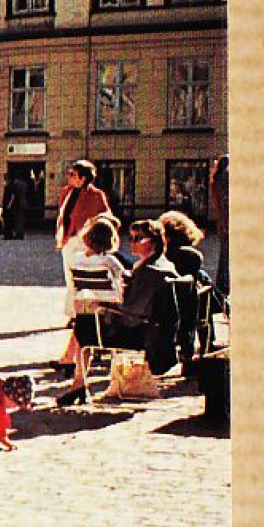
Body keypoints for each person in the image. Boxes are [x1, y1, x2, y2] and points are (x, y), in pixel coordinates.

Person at [59, 219, 181, 406]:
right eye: (131, 238)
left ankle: (78, 384)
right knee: (86, 323)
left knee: (84, 325)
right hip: (148, 328)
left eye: (138, 238)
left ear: (154, 242)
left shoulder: (150, 271)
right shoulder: (160, 265)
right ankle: (78, 384)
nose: (132, 242)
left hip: (136, 332)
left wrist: (107, 306)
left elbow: (132, 312)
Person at [55, 214, 126, 374]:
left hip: (87, 303)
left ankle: (70, 360)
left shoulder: (77, 259)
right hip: (110, 306)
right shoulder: (109, 260)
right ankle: (71, 359)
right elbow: (123, 277)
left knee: (84, 321)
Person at [54, 161, 111, 307]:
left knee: (83, 278)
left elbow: (106, 218)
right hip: (68, 239)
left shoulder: (96, 195)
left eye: (73, 174)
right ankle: (73, 312)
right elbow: (63, 215)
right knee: (70, 277)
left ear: (83, 178)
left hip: (85, 241)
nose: (69, 177)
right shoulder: (66, 191)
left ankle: (80, 313)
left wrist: (95, 239)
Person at [159, 210, 209, 365]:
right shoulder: (191, 259)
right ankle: (208, 345)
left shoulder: (159, 259)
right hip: (189, 309)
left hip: (162, 309)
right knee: (205, 283)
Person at [208, 155, 229, 296]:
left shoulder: (216, 181)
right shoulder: (225, 177)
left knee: (225, 254)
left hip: (224, 223)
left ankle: (223, 288)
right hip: (227, 223)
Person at [1, 176, 28, 240]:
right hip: (23, 204)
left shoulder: (14, 185)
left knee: (17, 220)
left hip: (18, 205)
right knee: (21, 220)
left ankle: (17, 234)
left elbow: (13, 195)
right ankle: (20, 234)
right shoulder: (24, 184)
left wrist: (9, 205)